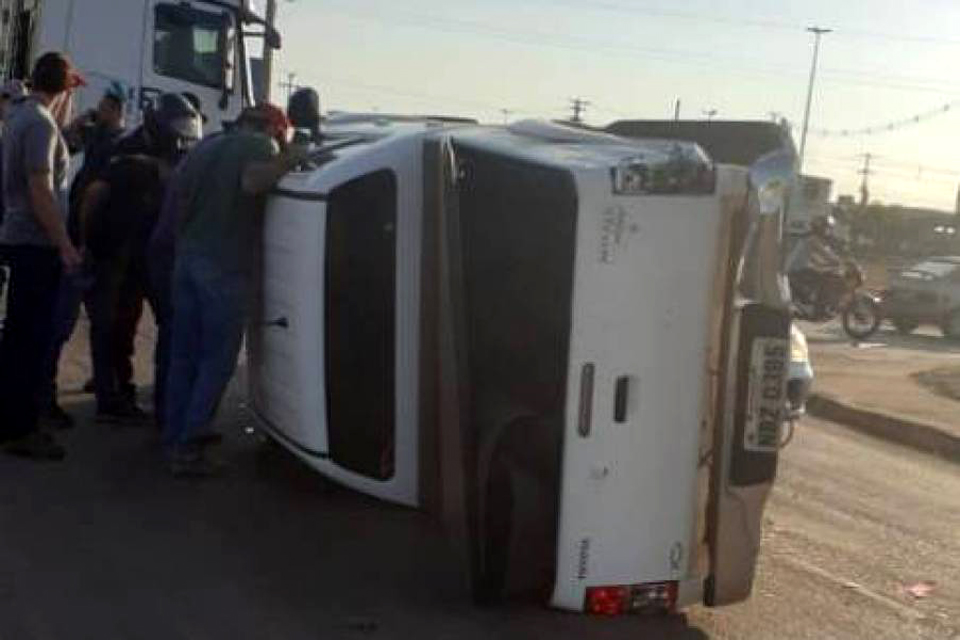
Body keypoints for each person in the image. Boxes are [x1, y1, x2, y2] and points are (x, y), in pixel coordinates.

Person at [163, 103, 304, 476]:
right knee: (217, 360)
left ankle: (175, 433)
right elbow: (253, 182)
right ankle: (189, 448)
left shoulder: (207, 145)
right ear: (272, 129)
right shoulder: (259, 146)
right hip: (223, 267)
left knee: (184, 356)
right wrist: (290, 160)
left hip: (187, 259)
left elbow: (179, 195)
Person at [80, 93, 202, 424]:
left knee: (164, 322)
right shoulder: (124, 153)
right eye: (177, 128)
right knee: (111, 326)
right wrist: (86, 245)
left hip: (149, 251)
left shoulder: (175, 155)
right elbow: (92, 196)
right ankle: (112, 398)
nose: (183, 136)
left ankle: (160, 400)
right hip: (114, 249)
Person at [0, 52, 83, 460]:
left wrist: (66, 96)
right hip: (36, 245)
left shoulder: (23, 116)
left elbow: (52, 136)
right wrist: (64, 243)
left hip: (21, 240)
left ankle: (12, 420)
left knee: (18, 337)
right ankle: (21, 428)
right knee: (31, 341)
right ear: (62, 87)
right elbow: (41, 189)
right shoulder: (39, 125)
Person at [39, 83, 128, 429]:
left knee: (90, 325)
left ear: (116, 110)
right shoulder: (103, 139)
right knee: (67, 324)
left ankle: (101, 395)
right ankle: (50, 397)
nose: (99, 110)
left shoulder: (113, 143)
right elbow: (66, 141)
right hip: (86, 246)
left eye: (105, 106)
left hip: (90, 245)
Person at [787, 215, 847, 317]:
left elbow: (815, 260)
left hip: (796, 269)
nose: (828, 231)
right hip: (797, 270)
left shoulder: (810, 238)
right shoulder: (813, 240)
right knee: (824, 278)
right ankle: (813, 306)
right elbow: (826, 255)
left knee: (824, 274)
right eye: (827, 228)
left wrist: (828, 264)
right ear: (820, 228)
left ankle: (816, 305)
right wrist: (839, 261)